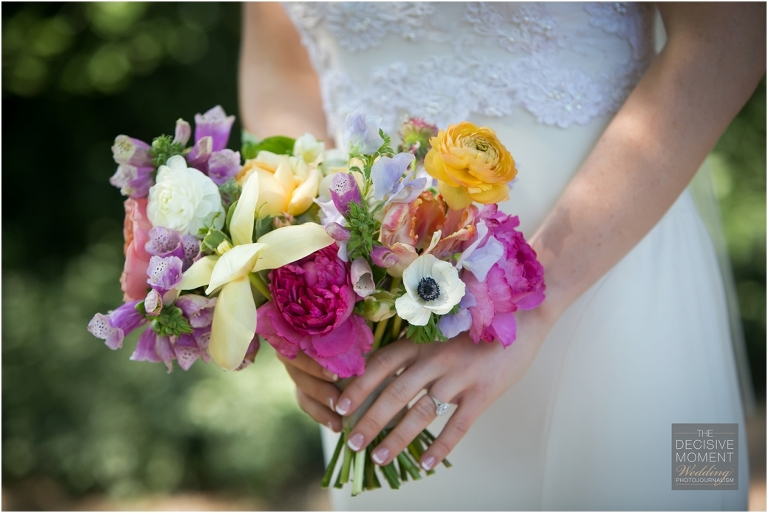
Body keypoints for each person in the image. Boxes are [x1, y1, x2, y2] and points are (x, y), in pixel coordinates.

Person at [239, 3, 764, 510]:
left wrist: (533, 303)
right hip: (378, 337)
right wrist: (303, 286)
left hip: (610, 278)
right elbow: (281, 70)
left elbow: (731, 34)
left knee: (661, 484)